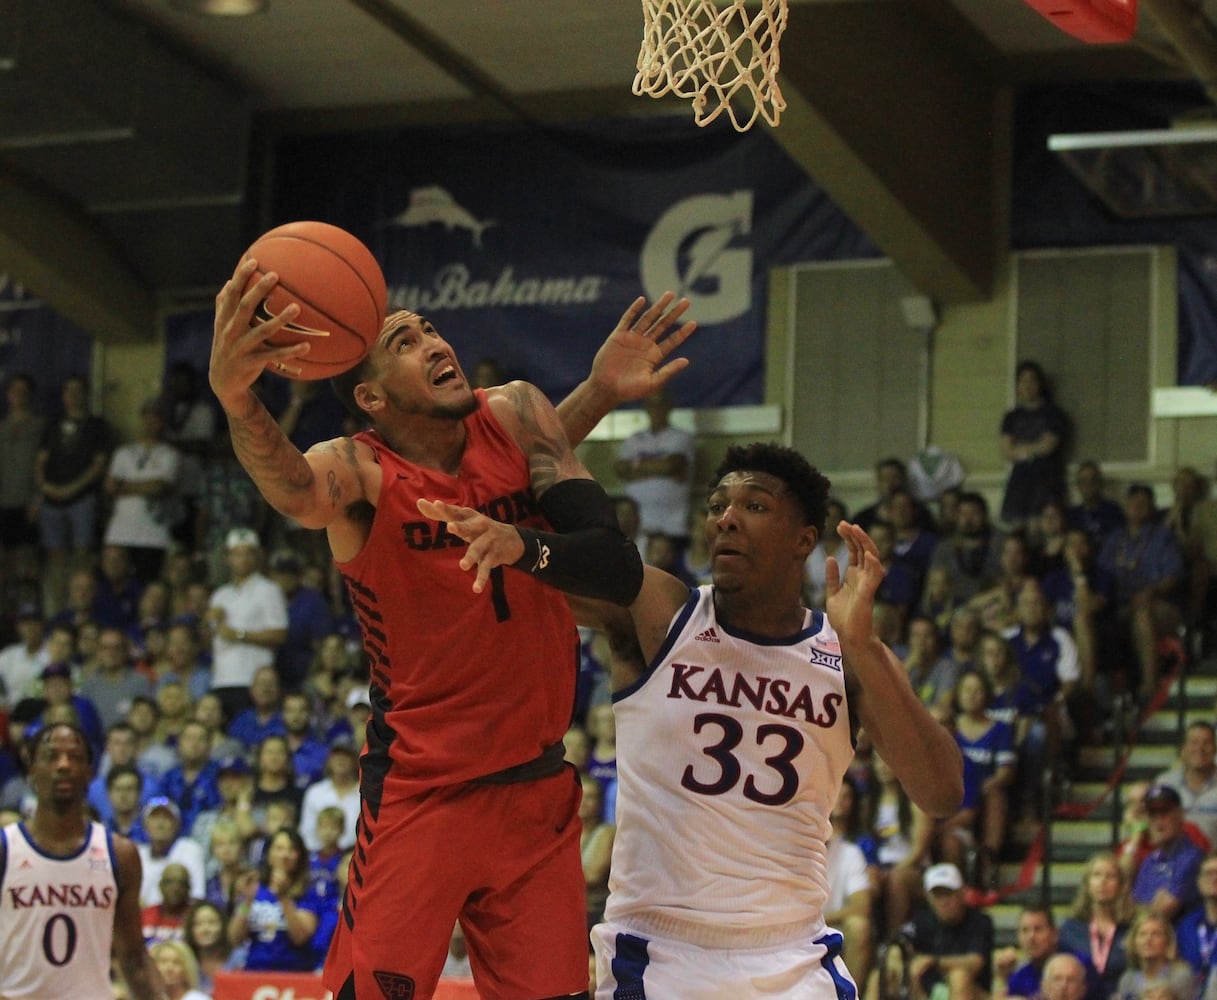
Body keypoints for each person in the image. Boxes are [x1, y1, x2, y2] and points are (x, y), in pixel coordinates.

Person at [208, 255, 696, 1000]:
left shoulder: (515, 413)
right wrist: (240, 399)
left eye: (431, 329)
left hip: (535, 791)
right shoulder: (359, 471)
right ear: (369, 395)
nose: (435, 343)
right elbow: (300, 493)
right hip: (422, 795)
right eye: (405, 342)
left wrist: (592, 402)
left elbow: (612, 566)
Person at [573, 443, 963, 997]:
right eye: (717, 506)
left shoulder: (846, 651)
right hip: (661, 951)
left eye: (754, 506)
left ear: (805, 539)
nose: (726, 518)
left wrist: (865, 647)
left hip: (792, 958)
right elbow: (522, 563)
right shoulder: (664, 612)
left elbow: (943, 791)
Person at [0, 722, 166, 998]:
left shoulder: (120, 854)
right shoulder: (6, 848)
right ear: (31, 770)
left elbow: (134, 959)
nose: (63, 765)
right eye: (52, 756)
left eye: (74, 757)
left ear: (90, 773)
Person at [33, 374, 112, 615]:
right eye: (68, 391)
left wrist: (71, 489)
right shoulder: (53, 424)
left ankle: (81, 608)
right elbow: (40, 461)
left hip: (82, 499)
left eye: (78, 390)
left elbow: (99, 466)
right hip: (51, 500)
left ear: (86, 394)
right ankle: (56, 612)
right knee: (55, 559)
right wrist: (44, 487)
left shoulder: (97, 425)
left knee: (82, 556)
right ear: (63, 395)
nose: (73, 395)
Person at [205, 528, 288, 721]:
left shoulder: (269, 590)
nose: (242, 559)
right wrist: (208, 620)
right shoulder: (220, 594)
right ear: (227, 558)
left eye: (248, 553)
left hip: (252, 682)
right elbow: (211, 638)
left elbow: (280, 634)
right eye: (236, 553)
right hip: (221, 680)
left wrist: (240, 635)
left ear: (258, 556)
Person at [102, 398, 181, 585]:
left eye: (156, 417)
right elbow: (110, 487)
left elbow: (161, 487)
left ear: (162, 422)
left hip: (153, 535)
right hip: (121, 533)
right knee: (116, 584)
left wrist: (125, 486)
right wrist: (147, 485)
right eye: (147, 417)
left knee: (148, 585)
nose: (151, 422)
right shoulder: (123, 453)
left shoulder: (169, 454)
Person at [228, 826, 327, 973]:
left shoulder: (309, 893)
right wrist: (246, 901)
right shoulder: (255, 889)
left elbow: (300, 937)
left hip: (293, 973)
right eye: (279, 848)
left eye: (291, 849)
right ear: (268, 854)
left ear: (299, 856)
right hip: (254, 970)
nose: (285, 855)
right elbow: (234, 938)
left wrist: (284, 897)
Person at [613, 387, 695, 547]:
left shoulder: (681, 438)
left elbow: (671, 466)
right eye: (652, 405)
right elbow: (620, 469)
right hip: (638, 530)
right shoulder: (634, 440)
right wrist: (659, 468)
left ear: (669, 407)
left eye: (660, 404)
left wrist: (635, 469)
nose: (656, 409)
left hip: (673, 528)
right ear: (646, 408)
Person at [904, 862, 994, 1000]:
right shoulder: (922, 920)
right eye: (937, 895)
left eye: (948, 894)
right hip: (929, 991)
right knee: (881, 975)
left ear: (962, 893)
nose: (944, 901)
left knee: (959, 977)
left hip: (973, 992)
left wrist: (933, 962)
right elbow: (898, 943)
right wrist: (896, 958)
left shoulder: (980, 921)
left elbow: (975, 963)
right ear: (929, 899)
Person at [998, 359, 1069, 530]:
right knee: (1016, 529)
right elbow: (1007, 451)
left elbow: (1048, 446)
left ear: (1040, 384)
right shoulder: (1011, 417)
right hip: (1019, 480)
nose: (1028, 385)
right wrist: (1032, 450)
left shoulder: (1053, 413)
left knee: (1041, 529)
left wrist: (1021, 449)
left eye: (1032, 380)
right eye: (1023, 380)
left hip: (1046, 480)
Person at [1058, 851, 1136, 998]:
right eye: (1097, 875)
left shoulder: (1131, 927)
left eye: (1110, 876)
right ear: (1087, 884)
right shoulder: (1071, 928)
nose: (1103, 882)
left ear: (1120, 885)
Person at [0, 373, 45, 616]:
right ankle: (6, 614)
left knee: (29, 562)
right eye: (13, 389)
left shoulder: (40, 426)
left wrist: (38, 499)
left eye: (23, 389)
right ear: (7, 395)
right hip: (4, 502)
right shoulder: (1, 427)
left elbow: (45, 465)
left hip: (30, 502)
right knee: (7, 561)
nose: (18, 394)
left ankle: (28, 613)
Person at [1132, 784, 1207, 922]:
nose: (1159, 822)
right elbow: (1133, 908)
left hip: (1180, 938)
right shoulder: (1150, 860)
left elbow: (1162, 912)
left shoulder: (1191, 858)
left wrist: (1143, 908)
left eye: (1165, 812)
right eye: (1153, 814)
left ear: (1181, 815)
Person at [1155, 722, 1217, 847]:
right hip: (1173, 860)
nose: (1200, 749)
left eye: (1206, 743)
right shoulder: (1165, 783)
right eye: (1194, 743)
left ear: (1215, 749)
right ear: (1183, 749)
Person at [1114, 911, 1198, 1000]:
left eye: (1156, 934)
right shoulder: (1128, 979)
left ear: (1167, 941)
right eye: (1142, 934)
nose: (1148, 940)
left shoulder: (1180, 977)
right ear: (1134, 941)